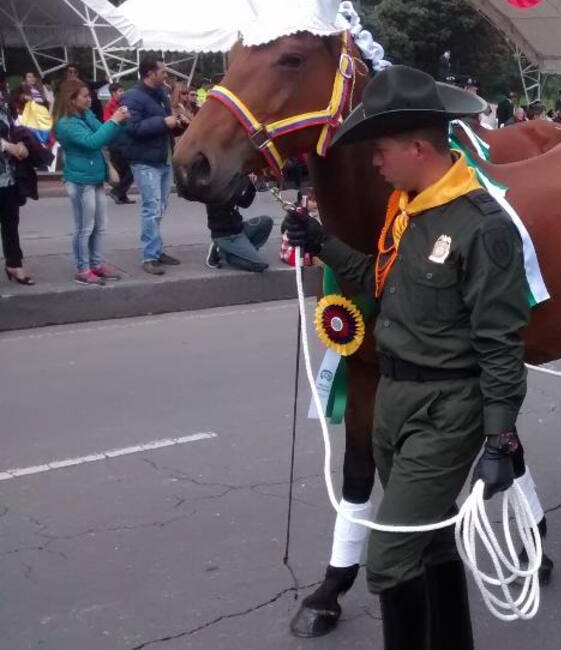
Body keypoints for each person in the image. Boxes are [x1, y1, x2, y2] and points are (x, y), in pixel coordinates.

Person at [281, 65, 530, 650]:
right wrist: (323, 244)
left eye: (381, 148)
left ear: (419, 147)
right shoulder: (408, 208)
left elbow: (501, 343)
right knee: (430, 542)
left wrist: (499, 438)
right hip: (395, 403)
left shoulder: (482, 227)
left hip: (447, 410)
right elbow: (383, 281)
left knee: (390, 557)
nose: (374, 160)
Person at [53, 78, 130, 286]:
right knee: (84, 227)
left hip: (94, 177)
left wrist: (120, 122)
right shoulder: (66, 123)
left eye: (89, 96)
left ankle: (95, 265)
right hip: (79, 180)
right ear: (72, 98)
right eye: (85, 96)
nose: (89, 100)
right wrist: (114, 121)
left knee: (99, 225)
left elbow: (106, 135)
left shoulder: (85, 115)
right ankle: (82, 269)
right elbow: (93, 141)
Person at [121, 56, 185, 275]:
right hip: (145, 161)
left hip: (162, 158)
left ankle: (156, 250)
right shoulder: (132, 96)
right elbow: (132, 128)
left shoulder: (161, 94)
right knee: (152, 207)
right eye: (163, 72)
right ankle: (149, 256)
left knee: (160, 207)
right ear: (150, 73)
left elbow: (166, 123)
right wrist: (163, 122)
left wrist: (176, 124)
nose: (166, 75)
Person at [206, 174, 273, 272]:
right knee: (259, 265)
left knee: (266, 221)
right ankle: (223, 253)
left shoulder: (230, 186)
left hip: (239, 230)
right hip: (226, 236)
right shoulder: (214, 191)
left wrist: (251, 184)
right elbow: (230, 197)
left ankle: (245, 252)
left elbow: (245, 203)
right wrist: (244, 178)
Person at [1, 102, 34, 285]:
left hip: (7, 177)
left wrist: (20, 143)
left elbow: (14, 129)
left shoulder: (5, 107)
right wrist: (7, 146)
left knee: (11, 223)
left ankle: (14, 263)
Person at [101, 83, 135, 205]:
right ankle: (116, 191)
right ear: (113, 93)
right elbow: (108, 122)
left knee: (124, 171)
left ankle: (122, 195)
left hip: (124, 141)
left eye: (122, 90)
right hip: (115, 142)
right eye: (120, 91)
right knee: (129, 171)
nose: (122, 93)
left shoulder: (123, 105)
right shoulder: (110, 106)